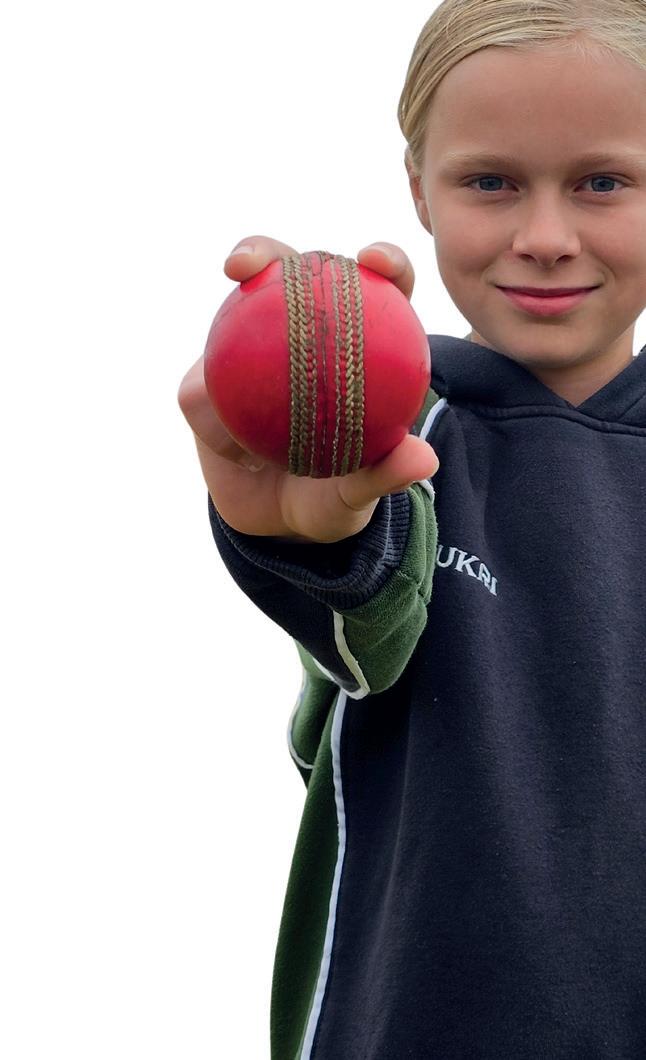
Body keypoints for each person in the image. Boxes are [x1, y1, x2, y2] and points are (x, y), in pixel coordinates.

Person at [178, 1, 646, 1056]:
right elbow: (368, 624)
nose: (544, 237)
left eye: (601, 182)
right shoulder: (390, 430)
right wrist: (313, 536)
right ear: (419, 191)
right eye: (490, 182)